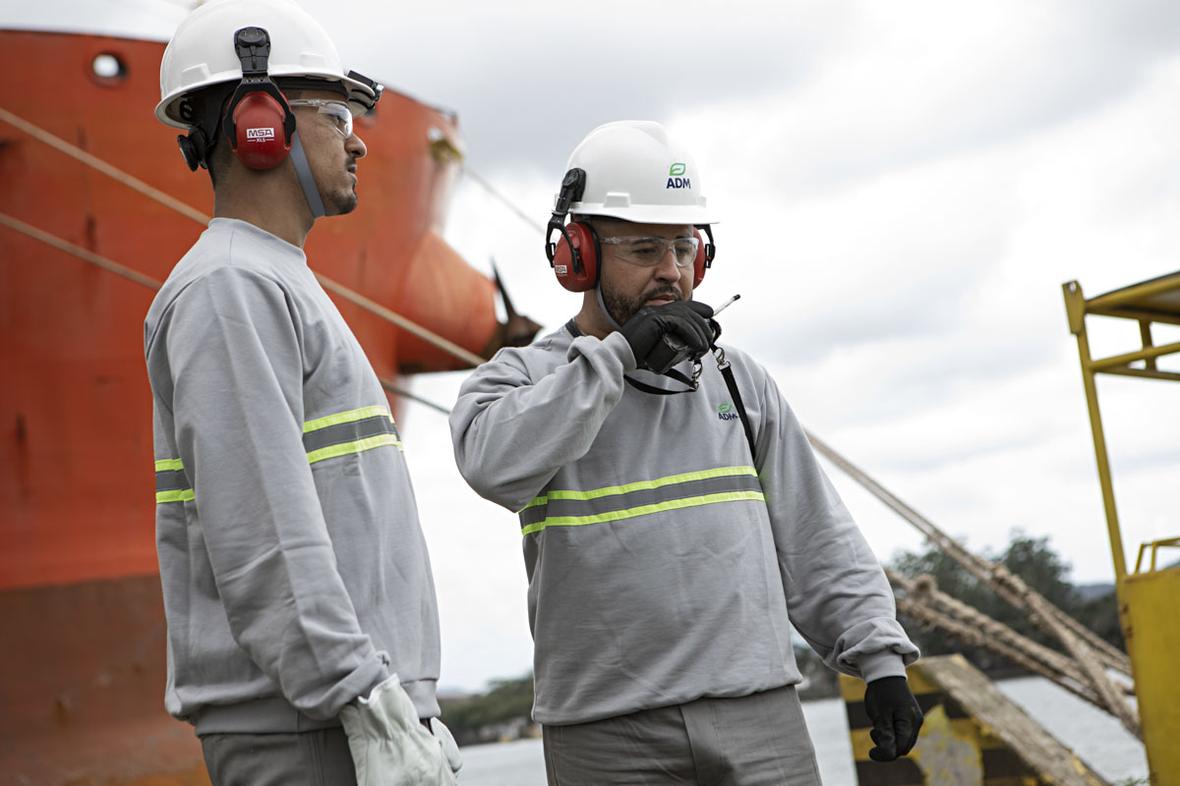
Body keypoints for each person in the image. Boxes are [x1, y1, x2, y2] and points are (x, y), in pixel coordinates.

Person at [450, 120, 923, 785]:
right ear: (577, 255)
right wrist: (617, 357)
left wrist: (879, 660)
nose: (671, 273)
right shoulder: (521, 380)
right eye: (644, 249)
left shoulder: (739, 380)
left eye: (683, 247)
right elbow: (492, 465)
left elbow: (816, 535)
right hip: (605, 737)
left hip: (760, 719)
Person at [145, 1, 459, 783]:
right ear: (261, 121)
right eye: (334, 114)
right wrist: (365, 698)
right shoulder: (229, 287)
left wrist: (401, 700)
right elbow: (263, 533)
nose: (356, 138)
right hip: (310, 725)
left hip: (340, 711)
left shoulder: (270, 279)